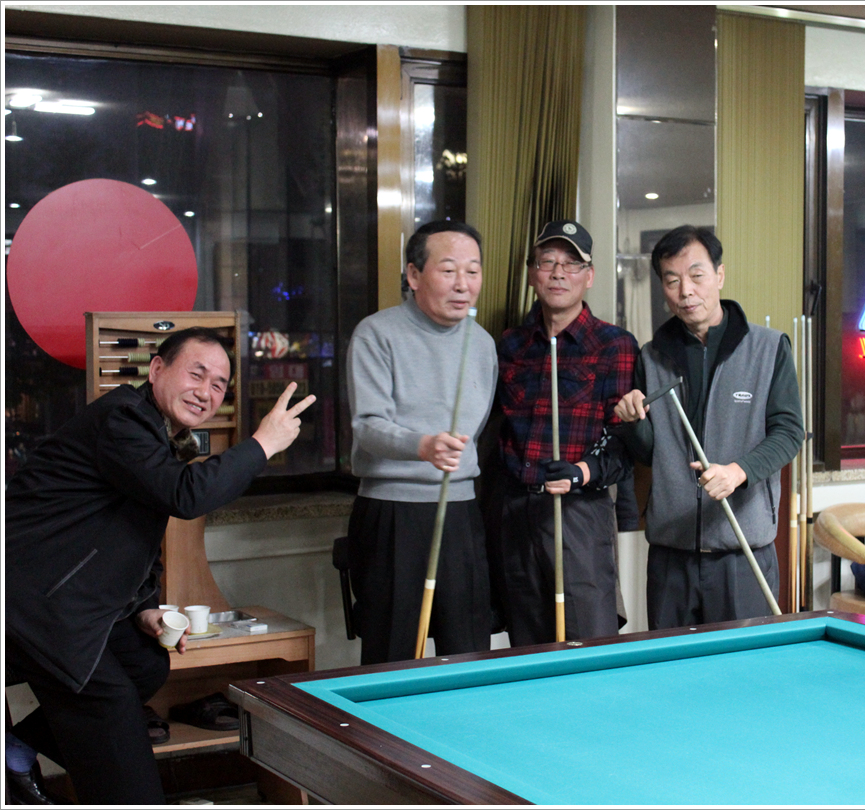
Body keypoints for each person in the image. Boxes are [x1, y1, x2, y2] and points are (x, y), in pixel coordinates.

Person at [4, 327, 315, 805]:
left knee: (145, 663)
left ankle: (16, 749)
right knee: (120, 742)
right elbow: (183, 495)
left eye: (218, 384)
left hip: (72, 598)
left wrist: (144, 607)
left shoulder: (154, 431)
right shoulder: (123, 418)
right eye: (196, 374)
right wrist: (262, 444)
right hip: (42, 606)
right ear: (156, 370)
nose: (206, 391)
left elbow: (125, 530)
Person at [615, 225, 804, 630]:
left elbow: (789, 433)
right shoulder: (651, 357)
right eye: (672, 280)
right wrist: (631, 424)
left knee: (744, 666)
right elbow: (649, 453)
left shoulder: (768, 348)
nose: (686, 291)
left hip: (742, 550)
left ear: (719, 275)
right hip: (671, 554)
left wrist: (738, 472)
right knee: (672, 665)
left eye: (696, 275)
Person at [346, 220, 496, 664]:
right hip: (393, 512)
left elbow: (478, 426)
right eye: (448, 270)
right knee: (392, 651)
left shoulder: (482, 343)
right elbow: (367, 426)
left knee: (468, 648)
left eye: (473, 271)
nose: (463, 284)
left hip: (461, 512)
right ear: (413, 275)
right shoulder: (376, 334)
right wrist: (423, 446)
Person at [494, 220, 639, 646]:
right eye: (548, 262)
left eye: (572, 264)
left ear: (588, 276)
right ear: (532, 273)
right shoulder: (510, 345)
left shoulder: (615, 344)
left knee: (586, 642)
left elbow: (623, 444)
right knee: (527, 645)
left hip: (578, 512)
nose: (559, 273)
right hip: (516, 512)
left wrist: (581, 472)